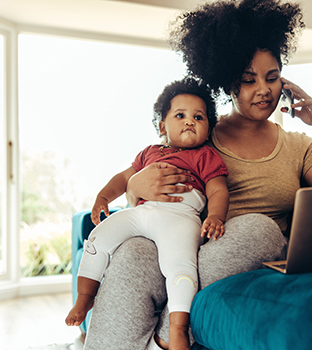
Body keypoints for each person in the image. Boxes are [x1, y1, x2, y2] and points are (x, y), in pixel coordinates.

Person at [82, 1, 312, 349]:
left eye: (272, 77)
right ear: (228, 84)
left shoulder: (298, 146)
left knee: (258, 228)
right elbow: (146, 191)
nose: (263, 89)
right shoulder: (200, 134)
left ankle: (165, 331)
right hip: (178, 241)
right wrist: (133, 186)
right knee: (132, 254)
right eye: (249, 80)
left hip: (234, 249)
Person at [66, 78, 229, 350]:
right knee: (98, 237)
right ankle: (85, 297)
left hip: (180, 217)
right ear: (163, 126)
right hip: (142, 212)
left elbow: (218, 191)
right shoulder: (150, 153)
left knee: (181, 268)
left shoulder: (206, 156)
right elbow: (123, 178)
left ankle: (177, 328)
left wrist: (216, 216)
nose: (190, 121)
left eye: (198, 117)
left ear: (208, 128)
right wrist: (104, 197)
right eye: (181, 115)